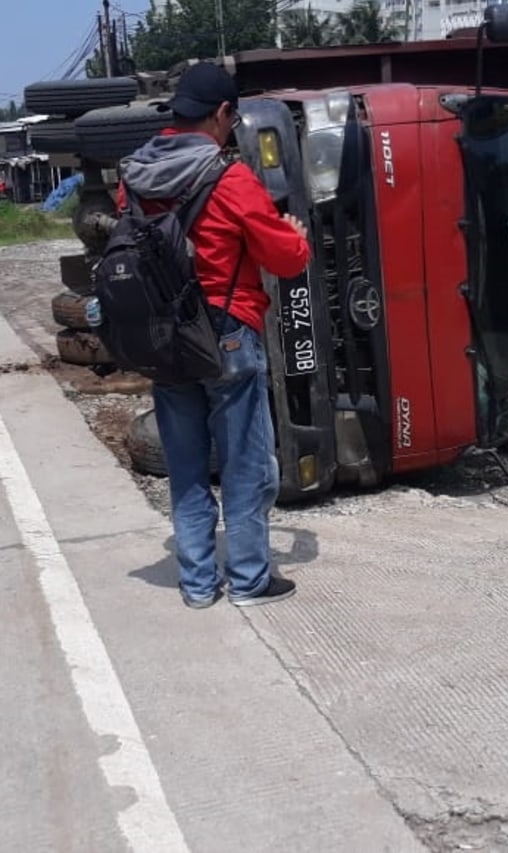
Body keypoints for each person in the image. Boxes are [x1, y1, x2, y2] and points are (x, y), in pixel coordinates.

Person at [119, 63, 310, 609]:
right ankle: (250, 580)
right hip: (226, 331)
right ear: (223, 114)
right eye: (234, 117)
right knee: (245, 465)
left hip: (163, 340)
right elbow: (286, 258)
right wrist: (291, 235)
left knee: (185, 465)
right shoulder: (229, 180)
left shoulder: (134, 177)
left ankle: (198, 585)